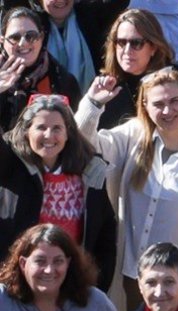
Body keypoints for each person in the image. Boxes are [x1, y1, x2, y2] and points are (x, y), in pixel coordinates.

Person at [77, 66, 178, 305]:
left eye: (175, 101)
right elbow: (84, 144)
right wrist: (92, 104)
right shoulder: (132, 137)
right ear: (145, 106)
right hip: (132, 276)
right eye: (158, 104)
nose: (168, 110)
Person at [0, 95, 117, 283]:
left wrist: (96, 286)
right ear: (26, 131)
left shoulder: (89, 172)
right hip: (18, 287)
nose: (49, 135)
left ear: (68, 133)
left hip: (71, 287)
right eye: (41, 127)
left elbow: (105, 235)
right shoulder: (10, 168)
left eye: (57, 128)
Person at [0, 225, 119, 311]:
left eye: (58, 261)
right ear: (23, 263)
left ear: (68, 263)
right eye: (40, 261)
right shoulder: (4, 301)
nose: (49, 270)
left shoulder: (95, 302)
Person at [93, 10, 178, 132]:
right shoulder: (104, 86)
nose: (127, 51)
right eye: (121, 42)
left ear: (153, 47)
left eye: (136, 43)